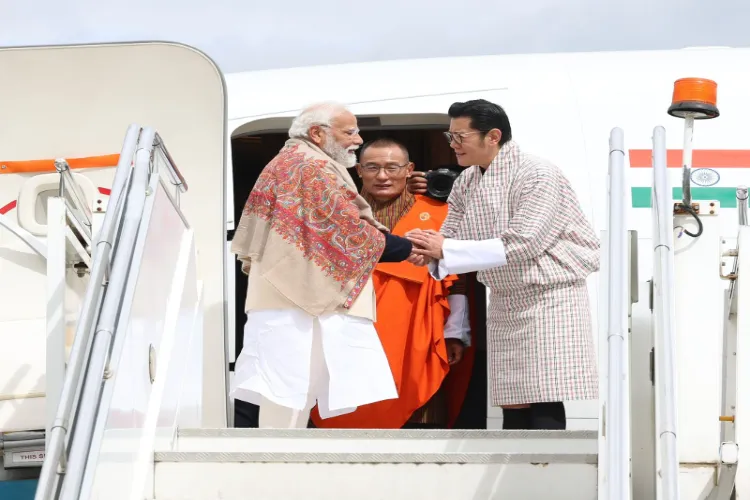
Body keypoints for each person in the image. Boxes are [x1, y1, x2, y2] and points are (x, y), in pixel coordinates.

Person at [405, 99, 600, 430]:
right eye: (449, 136)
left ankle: (546, 474)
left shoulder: (538, 173)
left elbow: (525, 242)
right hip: (505, 294)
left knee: (544, 391)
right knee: (513, 395)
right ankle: (521, 474)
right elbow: (452, 234)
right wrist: (428, 249)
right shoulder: (467, 180)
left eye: (459, 137)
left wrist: (445, 249)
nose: (452, 145)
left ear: (492, 136)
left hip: (550, 294)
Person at [229, 102, 414, 429]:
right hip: (296, 305)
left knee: (290, 396)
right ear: (317, 133)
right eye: (349, 132)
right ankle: (275, 471)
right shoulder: (310, 166)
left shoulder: (295, 161)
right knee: (286, 396)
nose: (357, 140)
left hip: (291, 301)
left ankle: (280, 468)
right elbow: (346, 232)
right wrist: (409, 247)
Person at [309, 138, 472, 430]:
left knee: (421, 414)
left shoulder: (438, 213)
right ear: (358, 170)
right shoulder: (335, 212)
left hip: (416, 335)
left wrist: (454, 332)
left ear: (410, 169)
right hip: (349, 332)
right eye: (372, 167)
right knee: (346, 415)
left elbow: (455, 279)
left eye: (392, 167)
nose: (382, 176)